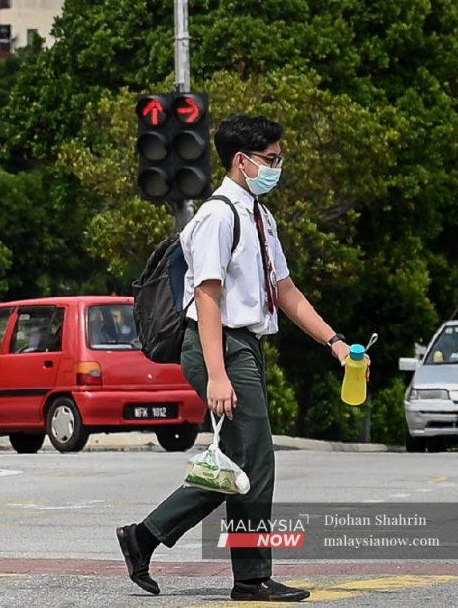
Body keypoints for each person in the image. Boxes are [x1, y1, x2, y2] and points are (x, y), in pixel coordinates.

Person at [117, 115, 362, 602]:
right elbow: (208, 297)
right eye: (270, 160)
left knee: (243, 462)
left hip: (243, 346)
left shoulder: (259, 216)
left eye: (279, 158)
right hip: (218, 344)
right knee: (253, 463)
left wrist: (333, 341)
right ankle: (179, 548)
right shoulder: (217, 216)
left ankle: (162, 545)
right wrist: (217, 374)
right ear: (242, 161)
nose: (277, 167)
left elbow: (285, 290)